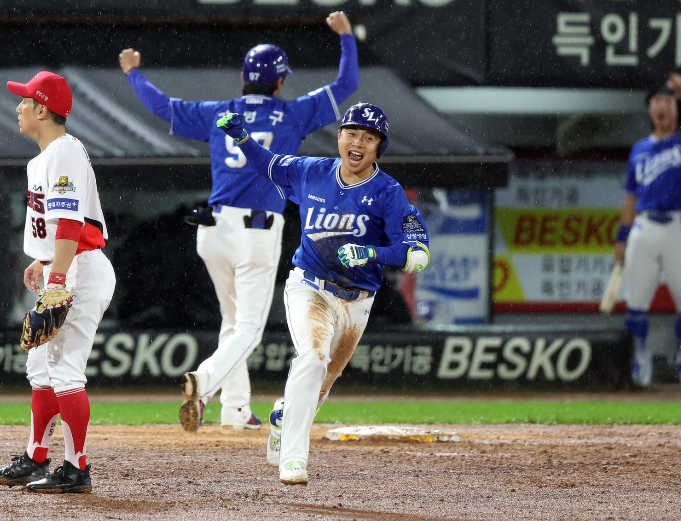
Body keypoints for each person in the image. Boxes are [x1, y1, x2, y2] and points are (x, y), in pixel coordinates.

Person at [118, 11, 358, 431]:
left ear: (243, 77)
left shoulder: (219, 112)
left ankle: (236, 410)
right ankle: (206, 382)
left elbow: (163, 107)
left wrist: (134, 74)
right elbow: (346, 86)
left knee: (233, 322)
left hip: (213, 231)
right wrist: (346, 37)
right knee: (249, 327)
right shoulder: (294, 113)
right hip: (256, 235)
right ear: (279, 82)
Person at [217, 102, 431, 485]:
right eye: (351, 133)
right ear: (339, 137)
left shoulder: (388, 192)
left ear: (378, 147)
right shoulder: (312, 171)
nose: (358, 142)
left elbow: (418, 255)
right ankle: (293, 459)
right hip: (309, 287)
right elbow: (267, 165)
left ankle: (284, 417)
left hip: (358, 301)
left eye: (368, 137)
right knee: (312, 358)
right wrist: (242, 138)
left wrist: (373, 253)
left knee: (323, 383)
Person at [0, 72, 115, 493]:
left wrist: (59, 279)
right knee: (40, 370)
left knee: (65, 371)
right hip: (64, 264)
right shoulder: (47, 156)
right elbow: (55, 226)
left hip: (80, 269)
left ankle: (76, 467)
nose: (18, 107)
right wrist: (42, 261)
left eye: (25, 101)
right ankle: (35, 456)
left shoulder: (62, 153)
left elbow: (70, 222)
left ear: (43, 109)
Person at [614, 72, 681, 388]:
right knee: (636, 301)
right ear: (649, 108)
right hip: (645, 226)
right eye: (656, 101)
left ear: (675, 108)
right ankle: (638, 364)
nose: (661, 106)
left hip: (679, 227)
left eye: (667, 101)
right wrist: (622, 238)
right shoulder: (639, 149)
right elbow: (630, 197)